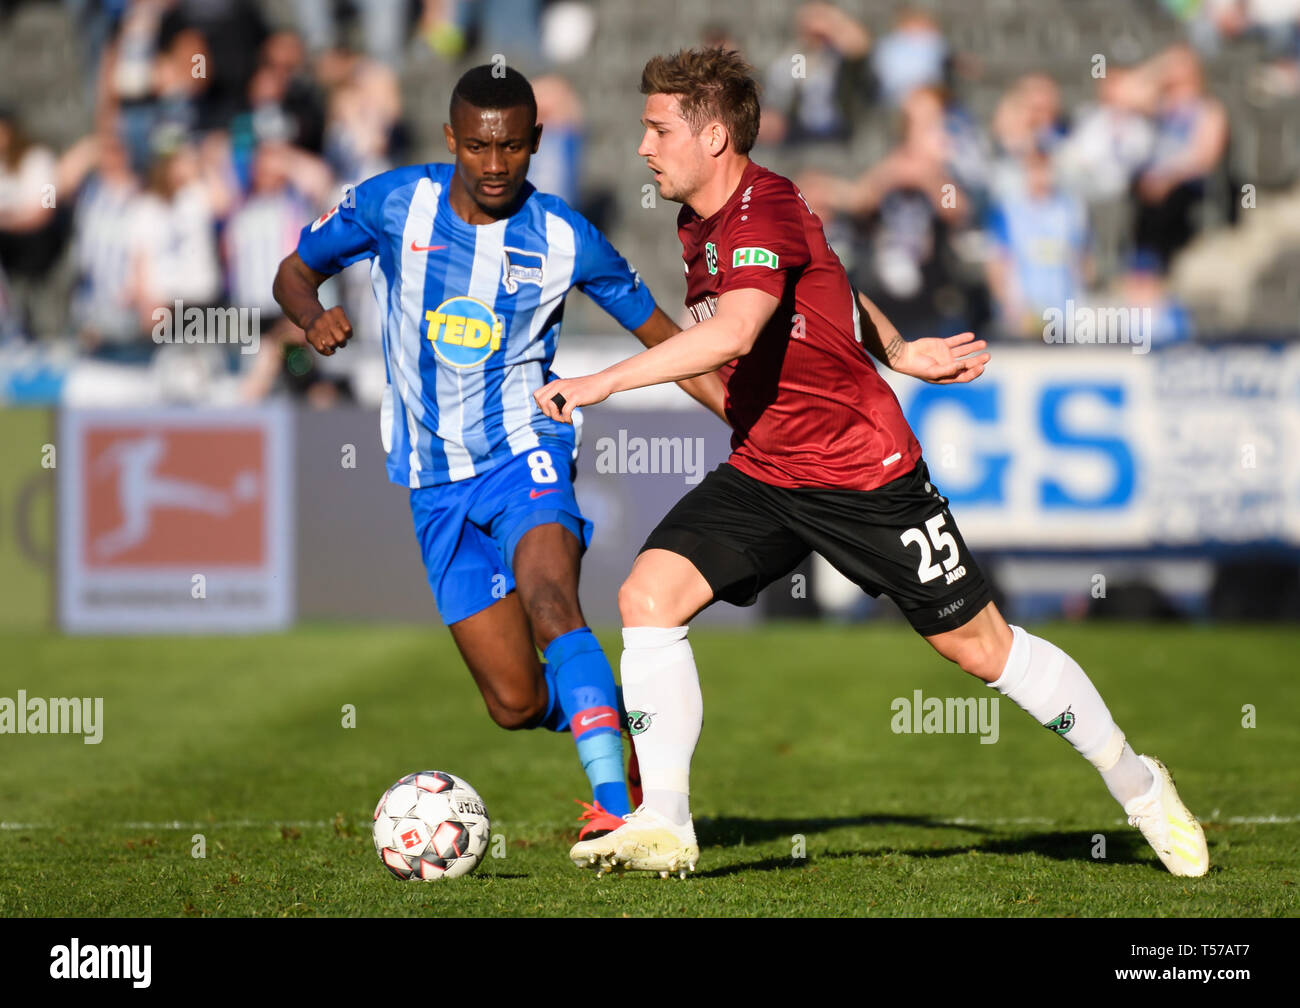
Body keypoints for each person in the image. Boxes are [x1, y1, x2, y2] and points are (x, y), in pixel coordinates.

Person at [535, 47, 1209, 880]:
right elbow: (829, 279)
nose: (643, 146)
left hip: (865, 474)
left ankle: (1140, 786)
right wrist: (894, 345)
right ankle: (666, 820)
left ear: (712, 136)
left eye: (658, 128)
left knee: (982, 649)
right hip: (770, 469)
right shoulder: (706, 218)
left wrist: (600, 379)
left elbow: (735, 332)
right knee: (648, 595)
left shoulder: (762, 206)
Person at [273, 65, 723, 839]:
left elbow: (664, 338)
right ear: (452, 139)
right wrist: (312, 319)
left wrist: (743, 414)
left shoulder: (563, 238)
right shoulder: (391, 204)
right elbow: (294, 271)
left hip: (526, 448)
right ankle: (617, 732)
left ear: (536, 144)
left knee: (553, 601)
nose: (493, 164)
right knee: (514, 702)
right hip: (432, 480)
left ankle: (616, 810)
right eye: (478, 146)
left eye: (512, 147)